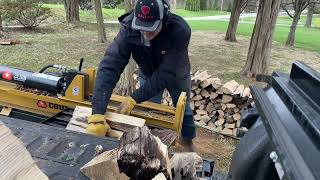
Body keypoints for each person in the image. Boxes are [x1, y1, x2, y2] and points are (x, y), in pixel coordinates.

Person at [86, 0, 196, 149]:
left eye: (151, 28)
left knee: (184, 110)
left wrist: (134, 98)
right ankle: (151, 144)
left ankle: (188, 142)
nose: (145, 32)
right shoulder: (129, 28)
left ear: (163, 18)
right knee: (148, 111)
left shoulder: (179, 30)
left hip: (176, 73)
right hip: (148, 72)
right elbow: (110, 65)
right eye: (141, 27)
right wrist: (97, 113)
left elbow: (167, 73)